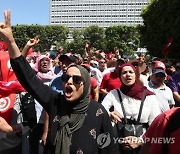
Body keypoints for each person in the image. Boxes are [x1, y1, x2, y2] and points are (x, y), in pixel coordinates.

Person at [0, 10, 118, 154]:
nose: (69, 82)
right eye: (66, 78)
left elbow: (109, 149)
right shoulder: (55, 102)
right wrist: (11, 42)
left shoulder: (98, 112)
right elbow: (28, 78)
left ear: (85, 84)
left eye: (76, 79)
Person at [102, 63, 161, 154]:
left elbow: (156, 124)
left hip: (143, 145)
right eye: (124, 72)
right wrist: (109, 114)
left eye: (131, 72)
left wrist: (140, 141)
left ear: (135, 75)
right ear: (120, 76)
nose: (128, 75)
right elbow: (101, 110)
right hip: (119, 143)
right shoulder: (114, 94)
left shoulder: (149, 96)